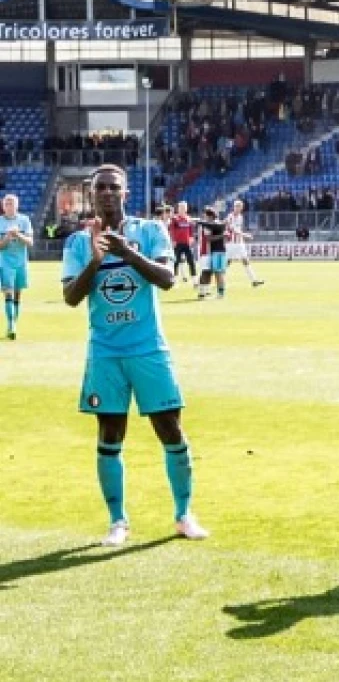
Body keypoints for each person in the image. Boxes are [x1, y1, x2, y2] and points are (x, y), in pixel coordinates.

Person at [62, 165, 208, 546]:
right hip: (105, 352)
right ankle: (117, 521)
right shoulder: (78, 243)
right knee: (110, 433)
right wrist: (96, 260)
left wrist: (126, 252)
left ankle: (183, 514)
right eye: (100, 189)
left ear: (125, 193)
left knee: (170, 430)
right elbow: (71, 298)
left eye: (114, 187)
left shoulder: (149, 232)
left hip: (148, 348)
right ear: (92, 196)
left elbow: (168, 278)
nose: (107, 193)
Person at [1, 193, 34, 340]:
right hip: (5, 263)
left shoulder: (24, 220)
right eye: (6, 204)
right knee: (8, 293)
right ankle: (11, 325)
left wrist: (18, 235)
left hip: (21, 262)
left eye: (11, 203)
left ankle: (14, 323)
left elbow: (30, 242)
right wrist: (7, 237)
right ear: (3, 206)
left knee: (18, 295)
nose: (9, 206)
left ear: (17, 205)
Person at [225, 201, 265, 287]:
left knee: (245, 260)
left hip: (239, 243)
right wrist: (245, 235)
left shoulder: (240, 217)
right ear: (234, 207)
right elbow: (232, 230)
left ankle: (254, 280)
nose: (238, 208)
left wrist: (242, 236)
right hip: (231, 243)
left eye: (240, 206)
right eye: (237, 206)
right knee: (227, 262)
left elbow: (238, 229)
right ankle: (219, 280)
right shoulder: (230, 216)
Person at [194, 207, 229, 299]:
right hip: (211, 251)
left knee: (212, 272)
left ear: (210, 216)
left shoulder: (210, 225)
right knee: (210, 272)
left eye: (205, 215)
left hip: (212, 251)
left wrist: (198, 221)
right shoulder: (213, 224)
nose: (204, 216)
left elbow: (209, 238)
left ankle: (206, 293)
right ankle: (205, 292)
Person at [166, 202, 198, 284]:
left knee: (191, 261)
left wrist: (191, 238)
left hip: (187, 243)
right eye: (181, 208)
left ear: (186, 209)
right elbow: (171, 230)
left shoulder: (188, 219)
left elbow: (191, 230)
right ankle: (174, 280)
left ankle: (194, 280)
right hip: (178, 243)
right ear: (178, 209)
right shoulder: (175, 219)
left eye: (184, 208)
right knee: (176, 261)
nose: (182, 209)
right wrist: (173, 240)